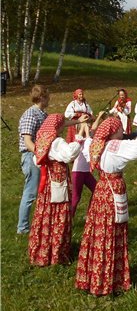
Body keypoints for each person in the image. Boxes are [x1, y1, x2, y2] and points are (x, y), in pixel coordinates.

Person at [75, 109, 137, 296]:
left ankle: (91, 277)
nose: (121, 133)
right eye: (119, 130)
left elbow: (86, 141)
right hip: (112, 191)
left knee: (97, 232)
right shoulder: (116, 146)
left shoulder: (95, 145)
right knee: (111, 233)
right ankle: (108, 281)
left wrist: (84, 126)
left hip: (100, 191)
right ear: (114, 131)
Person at [29, 114, 85, 266]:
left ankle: (41, 250)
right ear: (57, 126)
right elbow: (69, 155)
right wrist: (79, 138)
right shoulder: (57, 141)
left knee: (45, 213)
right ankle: (57, 254)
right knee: (59, 212)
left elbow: (36, 160)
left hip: (47, 181)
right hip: (57, 180)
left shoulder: (42, 139)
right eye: (62, 124)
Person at [17, 85, 50, 234]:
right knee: (30, 193)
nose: (49, 99)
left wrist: (77, 121)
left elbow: (57, 124)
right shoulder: (31, 114)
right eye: (47, 96)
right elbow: (27, 140)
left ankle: (39, 224)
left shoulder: (42, 114)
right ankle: (22, 228)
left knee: (40, 192)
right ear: (42, 97)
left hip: (40, 157)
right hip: (32, 157)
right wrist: (39, 153)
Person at [71, 111, 106, 218]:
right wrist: (83, 127)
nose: (89, 126)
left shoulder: (89, 136)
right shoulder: (78, 137)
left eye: (89, 124)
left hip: (86, 172)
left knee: (96, 190)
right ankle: (69, 218)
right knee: (76, 197)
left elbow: (94, 128)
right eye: (87, 124)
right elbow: (79, 139)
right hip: (78, 172)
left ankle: (90, 214)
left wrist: (99, 116)